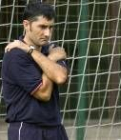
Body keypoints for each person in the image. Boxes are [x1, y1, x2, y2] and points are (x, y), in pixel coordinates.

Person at [2, 2, 69, 140]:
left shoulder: (52, 49)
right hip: (27, 129)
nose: (47, 33)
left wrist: (32, 51)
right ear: (26, 25)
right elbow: (44, 94)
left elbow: (61, 77)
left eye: (51, 27)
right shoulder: (15, 55)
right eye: (42, 27)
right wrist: (50, 58)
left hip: (55, 128)